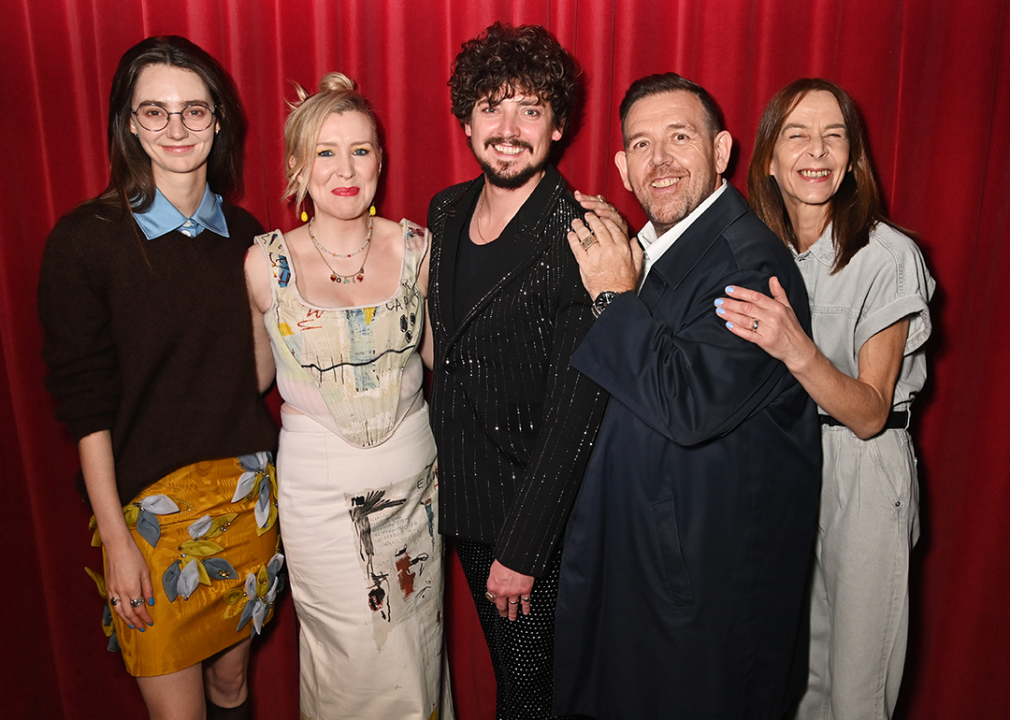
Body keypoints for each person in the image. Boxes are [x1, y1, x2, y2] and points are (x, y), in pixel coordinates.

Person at [552, 72, 822, 720]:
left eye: (680, 137)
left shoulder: (748, 263)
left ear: (722, 151)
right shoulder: (649, 250)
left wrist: (615, 295)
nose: (661, 160)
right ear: (622, 165)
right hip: (642, 574)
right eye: (642, 145)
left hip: (703, 597)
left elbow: (688, 403)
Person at [38, 36, 280, 720]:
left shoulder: (246, 234)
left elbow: (254, 377)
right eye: (154, 111)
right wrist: (117, 541)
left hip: (247, 499)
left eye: (194, 111)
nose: (176, 129)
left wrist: (272, 300)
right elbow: (85, 408)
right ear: (128, 123)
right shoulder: (84, 241)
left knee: (232, 688)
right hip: (147, 516)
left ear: (219, 121)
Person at [714, 78, 935, 720]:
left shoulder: (888, 255)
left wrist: (796, 347)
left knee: (857, 687)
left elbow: (869, 411)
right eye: (797, 134)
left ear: (853, 156)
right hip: (785, 463)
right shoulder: (760, 253)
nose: (817, 150)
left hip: (863, 469)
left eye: (834, 136)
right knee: (798, 677)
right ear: (769, 159)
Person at [244, 72, 450, 720]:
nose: (345, 168)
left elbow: (442, 362)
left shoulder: (417, 249)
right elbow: (254, 378)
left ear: (380, 162)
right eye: (326, 152)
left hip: (416, 494)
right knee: (347, 671)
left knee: (416, 659)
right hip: (320, 507)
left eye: (360, 150)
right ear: (298, 167)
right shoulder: (263, 262)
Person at [425, 22, 609, 719]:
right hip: (463, 507)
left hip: (535, 520)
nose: (508, 128)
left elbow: (576, 413)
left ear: (557, 126)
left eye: (530, 109)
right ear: (467, 117)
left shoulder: (580, 234)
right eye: (491, 106)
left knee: (532, 693)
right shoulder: (445, 212)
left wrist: (524, 549)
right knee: (514, 682)